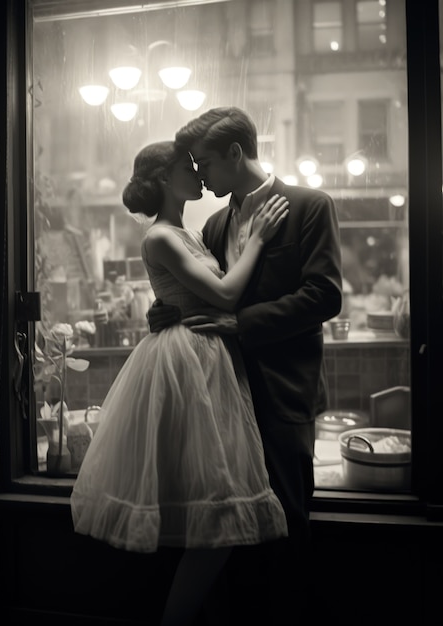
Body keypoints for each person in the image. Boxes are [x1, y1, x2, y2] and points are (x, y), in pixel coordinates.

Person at [70, 140, 290, 626]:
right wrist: (257, 238)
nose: (197, 173)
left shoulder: (192, 234)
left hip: (207, 361)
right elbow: (225, 294)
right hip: (186, 364)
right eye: (187, 167)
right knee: (212, 515)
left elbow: (198, 296)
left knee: (212, 517)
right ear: (167, 180)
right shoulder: (161, 237)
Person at [148, 107, 343, 624]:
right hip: (219, 398)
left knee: (285, 529)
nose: (203, 179)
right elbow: (206, 295)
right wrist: (165, 310)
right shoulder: (213, 224)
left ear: (236, 154)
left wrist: (244, 326)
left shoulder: (309, 206)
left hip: (282, 395)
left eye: (205, 163)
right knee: (228, 531)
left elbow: (324, 296)